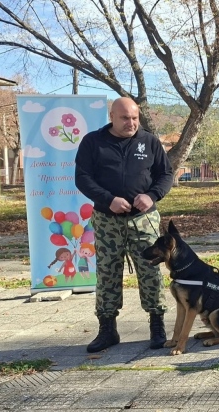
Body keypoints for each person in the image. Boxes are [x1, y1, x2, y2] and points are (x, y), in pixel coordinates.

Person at [75, 97, 173, 352]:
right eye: (125, 118)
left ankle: (157, 325)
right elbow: (82, 178)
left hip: (143, 220)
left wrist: (151, 196)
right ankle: (107, 329)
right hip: (107, 221)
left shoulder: (149, 141)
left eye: (134, 118)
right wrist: (108, 200)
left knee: (150, 271)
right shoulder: (93, 142)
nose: (131, 123)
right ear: (111, 116)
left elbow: (165, 174)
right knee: (107, 273)